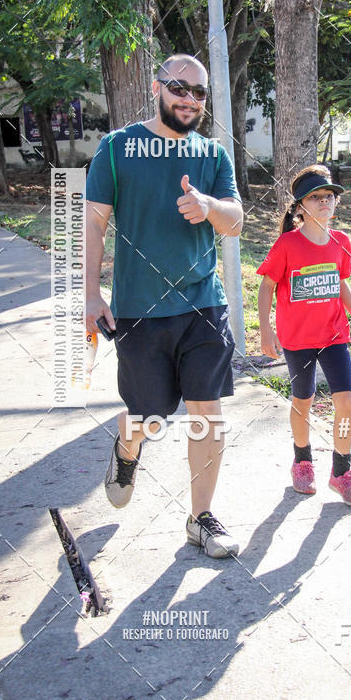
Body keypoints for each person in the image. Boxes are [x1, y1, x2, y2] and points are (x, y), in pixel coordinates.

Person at [85, 54, 243, 558]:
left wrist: (209, 207)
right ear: (157, 88)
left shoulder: (213, 155)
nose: (190, 99)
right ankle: (127, 447)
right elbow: (94, 223)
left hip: (202, 304)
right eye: (179, 88)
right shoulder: (117, 149)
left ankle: (201, 518)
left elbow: (235, 220)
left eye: (199, 92)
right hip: (140, 309)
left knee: (207, 412)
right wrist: (91, 293)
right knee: (150, 417)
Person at [257, 165, 351, 505]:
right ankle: (302, 461)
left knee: (346, 402)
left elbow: (341, 282)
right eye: (316, 197)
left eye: (329, 196)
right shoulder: (287, 244)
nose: (325, 201)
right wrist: (266, 330)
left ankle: (342, 472)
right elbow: (266, 286)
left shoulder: (340, 241)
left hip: (333, 335)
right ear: (300, 207)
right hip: (298, 339)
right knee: (303, 401)